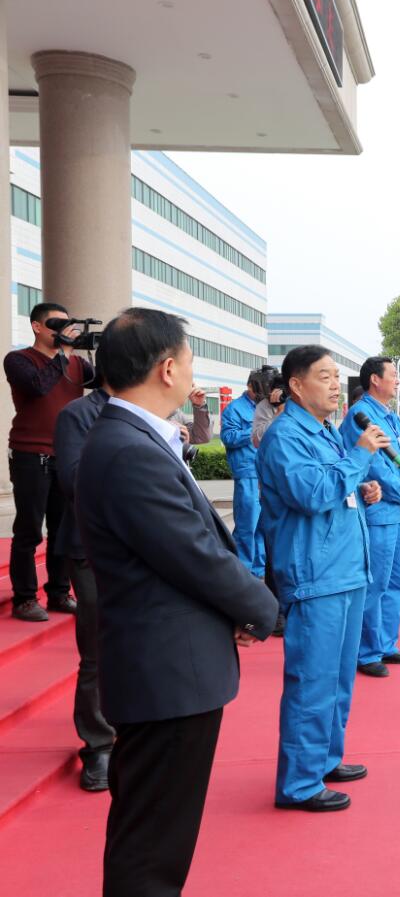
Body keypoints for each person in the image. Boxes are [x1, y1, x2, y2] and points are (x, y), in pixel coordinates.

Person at [76, 308, 277, 895]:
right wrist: (261, 608)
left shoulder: (133, 437)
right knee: (152, 850)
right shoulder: (128, 448)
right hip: (166, 676)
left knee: (154, 837)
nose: (192, 372)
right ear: (166, 369)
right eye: (189, 361)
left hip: (170, 665)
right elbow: (193, 554)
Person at [258, 345, 388, 813]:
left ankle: (324, 759)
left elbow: (334, 485)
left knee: (338, 680)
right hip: (316, 575)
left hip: (345, 570)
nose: (336, 385)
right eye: (325, 376)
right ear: (296, 385)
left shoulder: (327, 430)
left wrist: (362, 485)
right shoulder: (285, 435)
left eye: (337, 376)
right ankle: (299, 782)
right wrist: (358, 459)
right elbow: (311, 493)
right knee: (312, 681)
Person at [4, 301, 92, 621]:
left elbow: (111, 385)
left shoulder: (78, 364)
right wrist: (63, 353)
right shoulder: (18, 360)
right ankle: (25, 598)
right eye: (56, 324)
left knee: (62, 530)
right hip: (30, 455)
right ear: (37, 327)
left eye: (66, 324)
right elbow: (38, 387)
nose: (63, 330)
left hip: (67, 456)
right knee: (29, 530)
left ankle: (58, 592)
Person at [341, 357, 400, 679]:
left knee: (394, 583)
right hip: (379, 512)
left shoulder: (389, 415)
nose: (397, 380)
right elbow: (373, 466)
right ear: (375, 379)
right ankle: (366, 652)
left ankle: (386, 644)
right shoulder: (359, 416)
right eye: (393, 374)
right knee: (374, 584)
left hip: (398, 512)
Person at [53, 382, 116, 792]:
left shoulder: (151, 412)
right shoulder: (78, 414)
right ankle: (98, 744)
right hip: (91, 547)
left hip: (141, 543)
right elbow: (73, 479)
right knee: (97, 648)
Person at [220, 371, 266, 578]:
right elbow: (228, 437)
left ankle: (260, 569)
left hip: (266, 472)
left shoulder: (267, 407)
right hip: (247, 471)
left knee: (263, 525)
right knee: (247, 524)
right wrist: (255, 431)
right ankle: (242, 571)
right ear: (249, 386)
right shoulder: (235, 408)